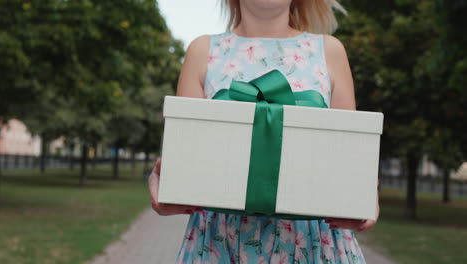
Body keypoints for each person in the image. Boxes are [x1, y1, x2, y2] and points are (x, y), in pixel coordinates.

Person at [149, 0, 379, 263]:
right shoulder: (202, 51)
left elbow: (349, 159)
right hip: (220, 242)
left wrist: (367, 196)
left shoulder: (330, 51)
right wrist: (166, 182)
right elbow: (187, 161)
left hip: (312, 244)